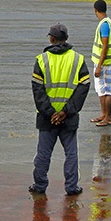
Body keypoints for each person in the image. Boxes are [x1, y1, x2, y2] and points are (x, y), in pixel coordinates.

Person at [30, 23, 90, 196]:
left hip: (46, 118)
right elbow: (83, 87)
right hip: (68, 118)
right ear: (66, 38)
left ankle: (40, 185)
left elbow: (37, 91)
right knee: (71, 154)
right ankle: (71, 187)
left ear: (51, 38)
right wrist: (66, 112)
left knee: (43, 154)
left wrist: (51, 113)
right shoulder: (78, 59)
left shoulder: (42, 60)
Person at [90, 0, 111, 127]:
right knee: (101, 89)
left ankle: (108, 117)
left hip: (104, 63)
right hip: (103, 62)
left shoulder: (104, 24)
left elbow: (105, 46)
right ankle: (104, 114)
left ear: (96, 10)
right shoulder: (107, 22)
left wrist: (99, 66)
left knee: (107, 90)